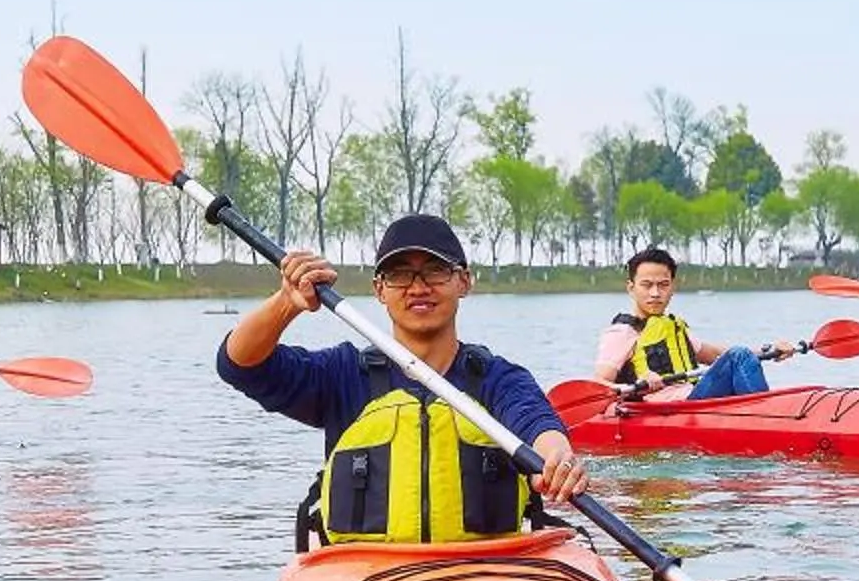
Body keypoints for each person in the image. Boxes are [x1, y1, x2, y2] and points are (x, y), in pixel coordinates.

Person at [218, 212, 588, 545]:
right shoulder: (343, 375)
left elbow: (536, 423)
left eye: (435, 270)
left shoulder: (497, 379)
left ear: (464, 282)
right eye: (399, 275)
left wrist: (557, 457)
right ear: (380, 290)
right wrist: (286, 302)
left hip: (480, 578)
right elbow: (239, 364)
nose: (418, 287)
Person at [593, 246, 791, 401]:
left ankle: (761, 413)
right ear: (631, 288)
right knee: (738, 355)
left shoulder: (674, 326)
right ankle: (766, 415)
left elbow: (716, 355)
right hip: (668, 408)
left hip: (694, 395)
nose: (655, 293)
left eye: (663, 285)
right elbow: (599, 384)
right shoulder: (622, 333)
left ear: (673, 287)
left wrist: (769, 350)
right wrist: (638, 384)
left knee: (739, 356)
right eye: (647, 285)